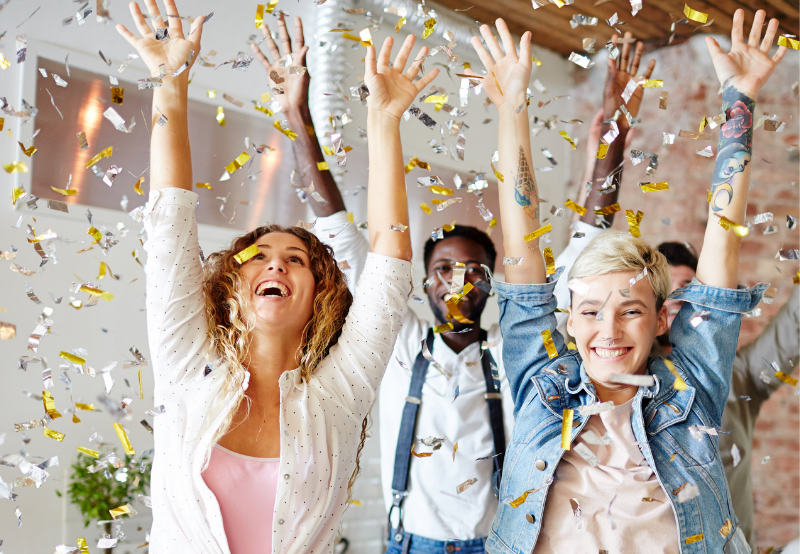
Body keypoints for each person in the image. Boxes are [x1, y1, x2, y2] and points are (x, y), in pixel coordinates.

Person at [115, 1, 438, 552]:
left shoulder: (341, 391)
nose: (276, 264)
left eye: (296, 259)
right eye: (259, 256)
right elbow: (170, 220)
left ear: (321, 297)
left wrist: (384, 122)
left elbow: (388, 268)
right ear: (232, 287)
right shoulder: (185, 362)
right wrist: (171, 83)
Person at [472, 11, 785, 554]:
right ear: (569, 319)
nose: (608, 329)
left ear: (663, 317)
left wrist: (740, 100)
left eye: (631, 310)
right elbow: (523, 251)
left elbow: (724, 239)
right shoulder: (539, 381)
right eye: (590, 311)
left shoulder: (694, 384)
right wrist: (511, 107)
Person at [251, 13, 511, 553]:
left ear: (491, 283)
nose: (457, 280)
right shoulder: (400, 342)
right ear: (424, 281)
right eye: (443, 268)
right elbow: (339, 235)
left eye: (471, 270)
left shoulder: (512, 354)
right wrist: (298, 114)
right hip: (408, 544)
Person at [656, 242, 800, 545]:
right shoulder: (625, 381)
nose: (673, 300)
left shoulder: (741, 375)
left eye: (685, 289)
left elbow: (793, 328)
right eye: (664, 291)